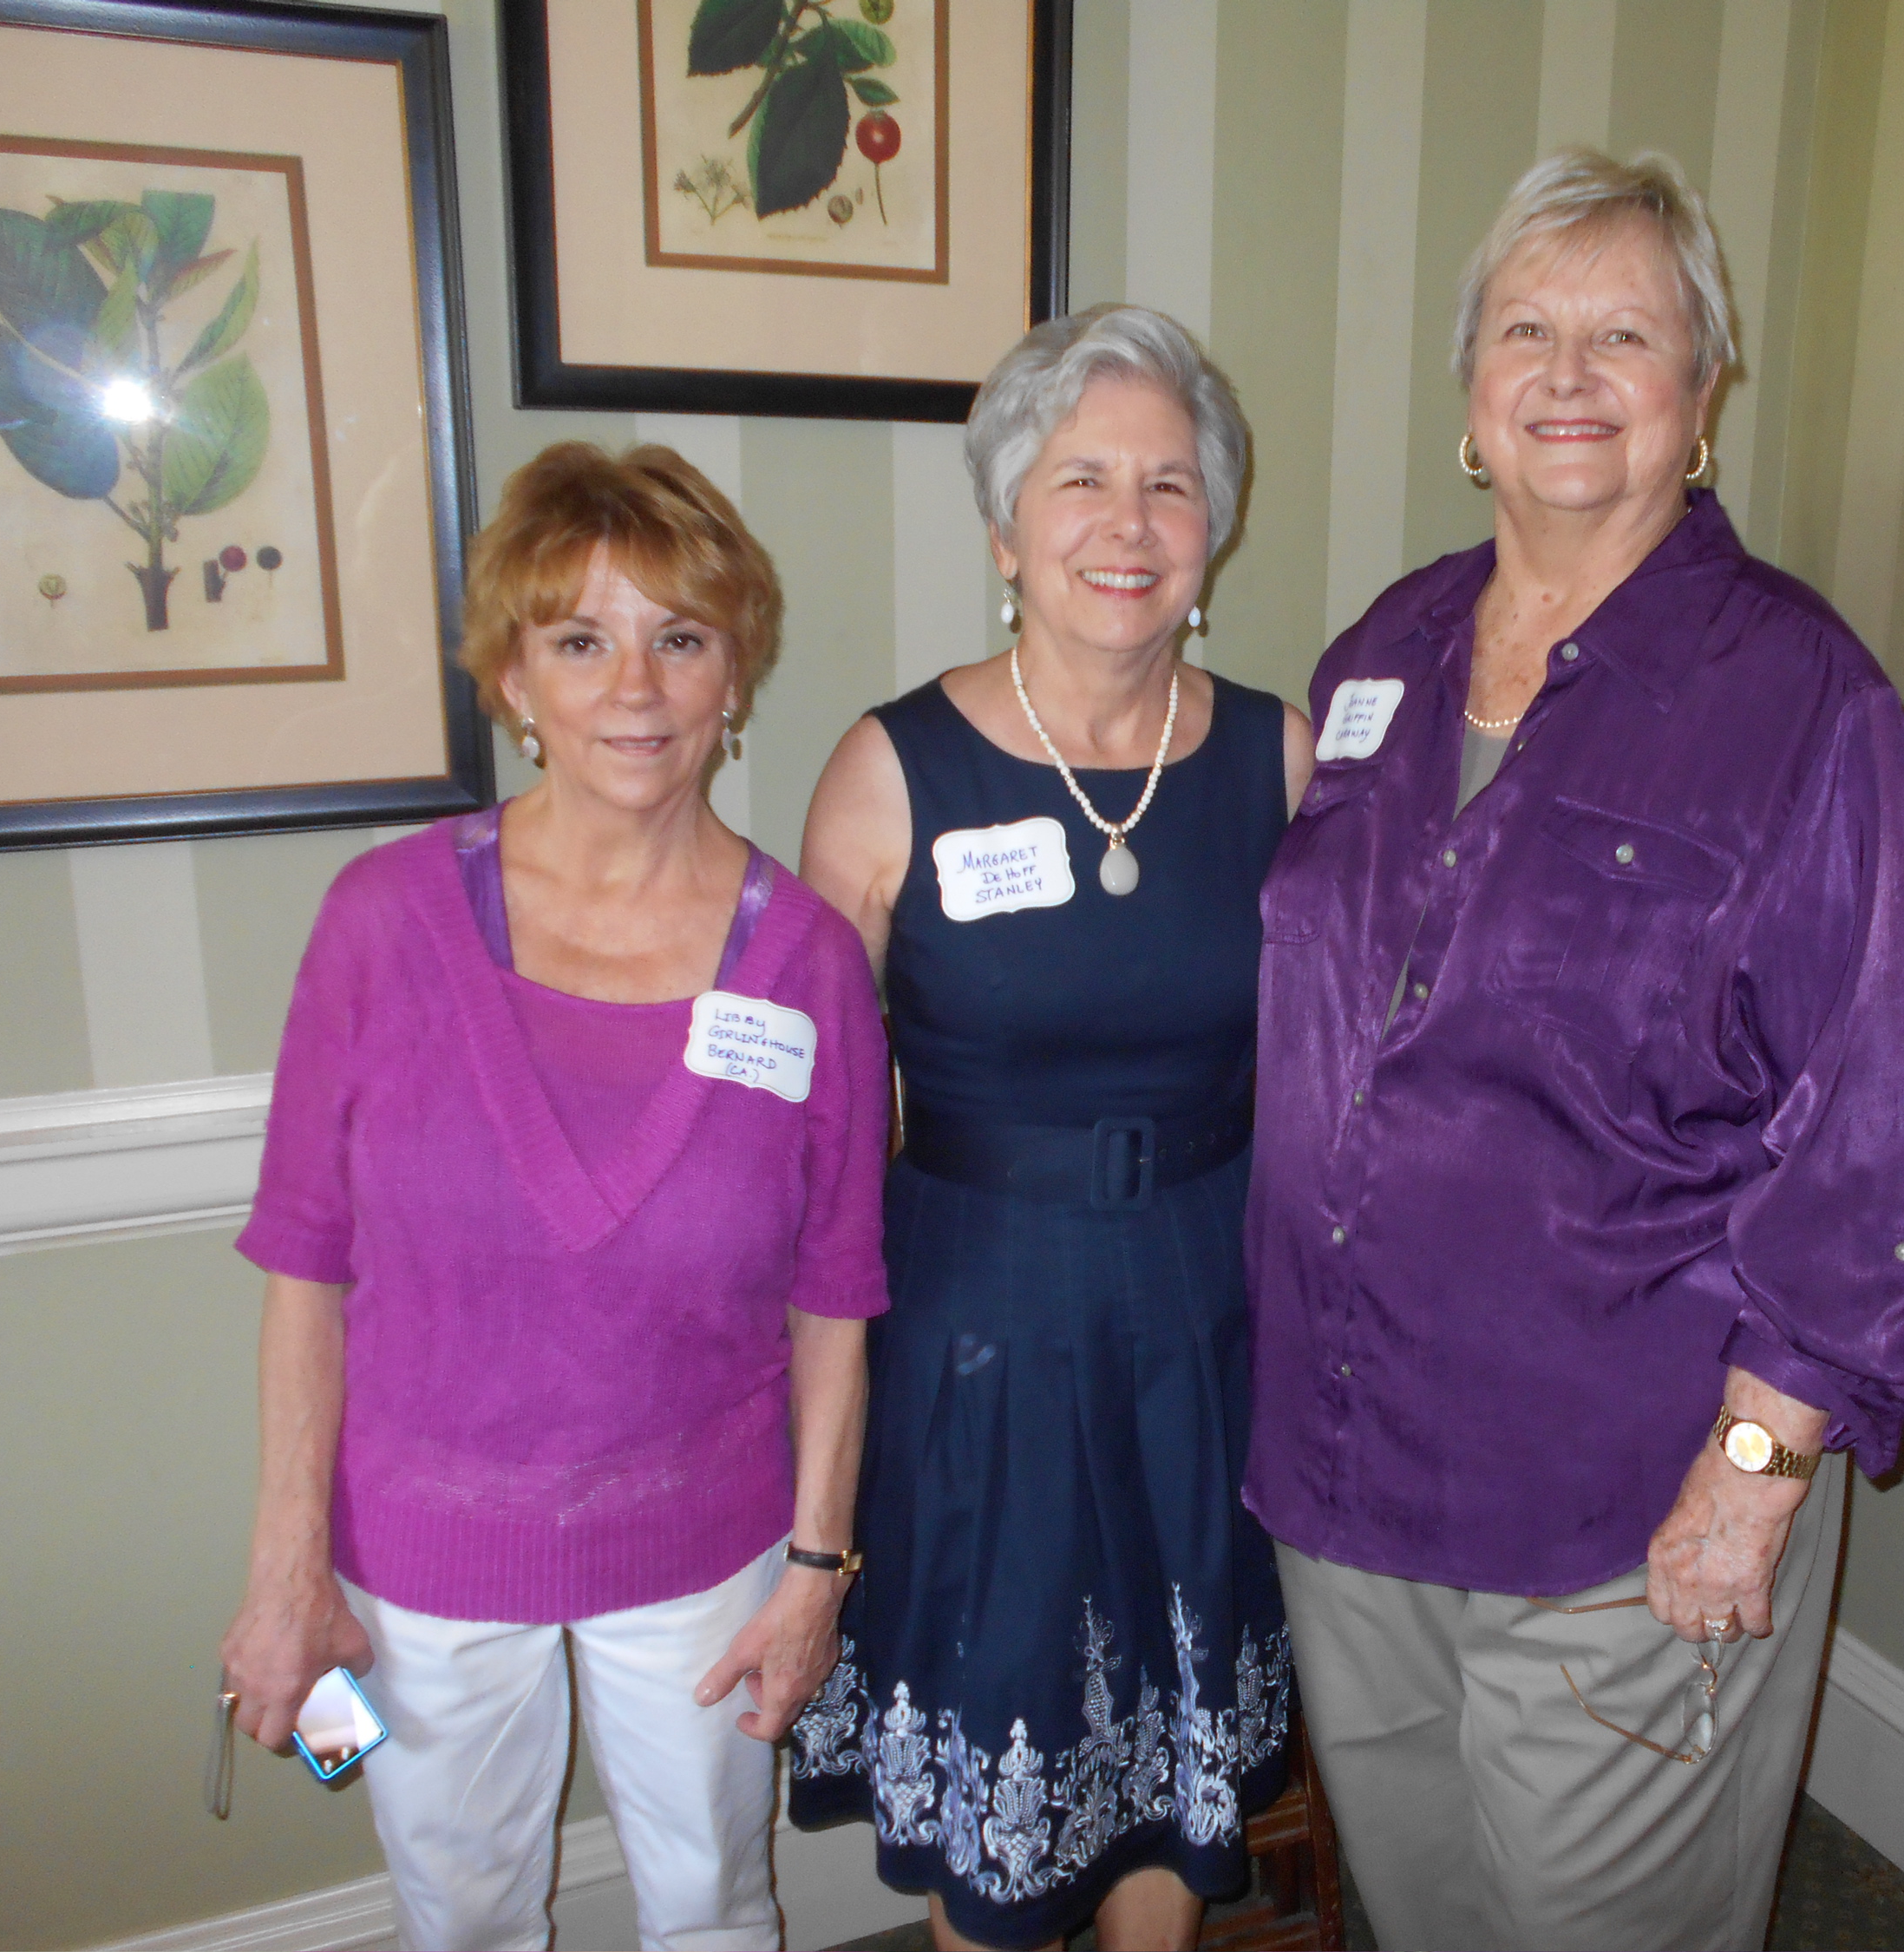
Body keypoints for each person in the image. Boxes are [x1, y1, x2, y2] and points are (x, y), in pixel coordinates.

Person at [1246, 149, 1904, 1951]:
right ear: (1474, 401)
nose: (1568, 374)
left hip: (1622, 1496)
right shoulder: (1385, 654)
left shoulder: (1806, 703)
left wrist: (1750, 1486)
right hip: (1350, 1466)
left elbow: (1872, 1139)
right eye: (1527, 331)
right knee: (1422, 1912)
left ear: (1701, 398)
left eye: (1625, 334)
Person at [220, 443, 890, 1951]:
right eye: (580, 640)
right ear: (514, 680)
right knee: (457, 1913)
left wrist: (815, 1571)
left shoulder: (806, 963)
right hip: (421, 1559)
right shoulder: (380, 924)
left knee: (715, 1904)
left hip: (706, 1545)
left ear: (736, 675)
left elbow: (838, 1290)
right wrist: (284, 1570)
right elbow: (304, 1266)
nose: (633, 688)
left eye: (681, 637)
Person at [788, 305, 1316, 1952]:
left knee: (1169, 1758)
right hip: (976, 1329)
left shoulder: (1278, 755)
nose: (1129, 522)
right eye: (1081, 477)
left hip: (1206, 1325)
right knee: (1007, 1783)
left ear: (1214, 529)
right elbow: (808, 1141)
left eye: (1170, 483)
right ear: (1007, 523)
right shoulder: (891, 770)